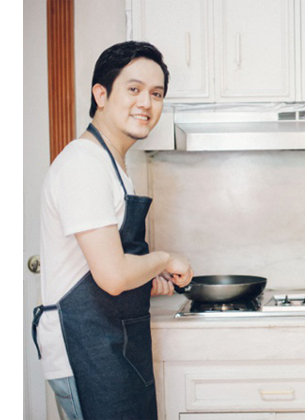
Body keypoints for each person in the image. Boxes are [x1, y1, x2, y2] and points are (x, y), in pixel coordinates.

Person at [32, 41, 193, 420]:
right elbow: (113, 276)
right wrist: (164, 259)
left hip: (110, 342)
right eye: (133, 89)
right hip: (87, 349)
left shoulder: (112, 166)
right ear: (100, 94)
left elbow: (105, 267)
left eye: (156, 94)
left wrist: (148, 277)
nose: (146, 104)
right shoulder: (83, 165)